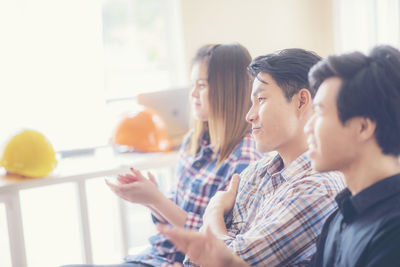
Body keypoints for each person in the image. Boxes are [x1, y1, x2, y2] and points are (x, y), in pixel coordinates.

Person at [160, 45, 400, 267]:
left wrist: (214, 216)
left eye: (321, 111)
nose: (309, 126)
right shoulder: (342, 216)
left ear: (363, 127)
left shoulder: (390, 232)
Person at [61, 43, 262, 267]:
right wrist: (152, 200)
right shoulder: (194, 142)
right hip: (156, 256)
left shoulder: (246, 157)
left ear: (228, 89)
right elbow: (174, 219)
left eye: (202, 85)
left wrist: (156, 200)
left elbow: (214, 243)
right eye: (192, 84)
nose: (193, 93)